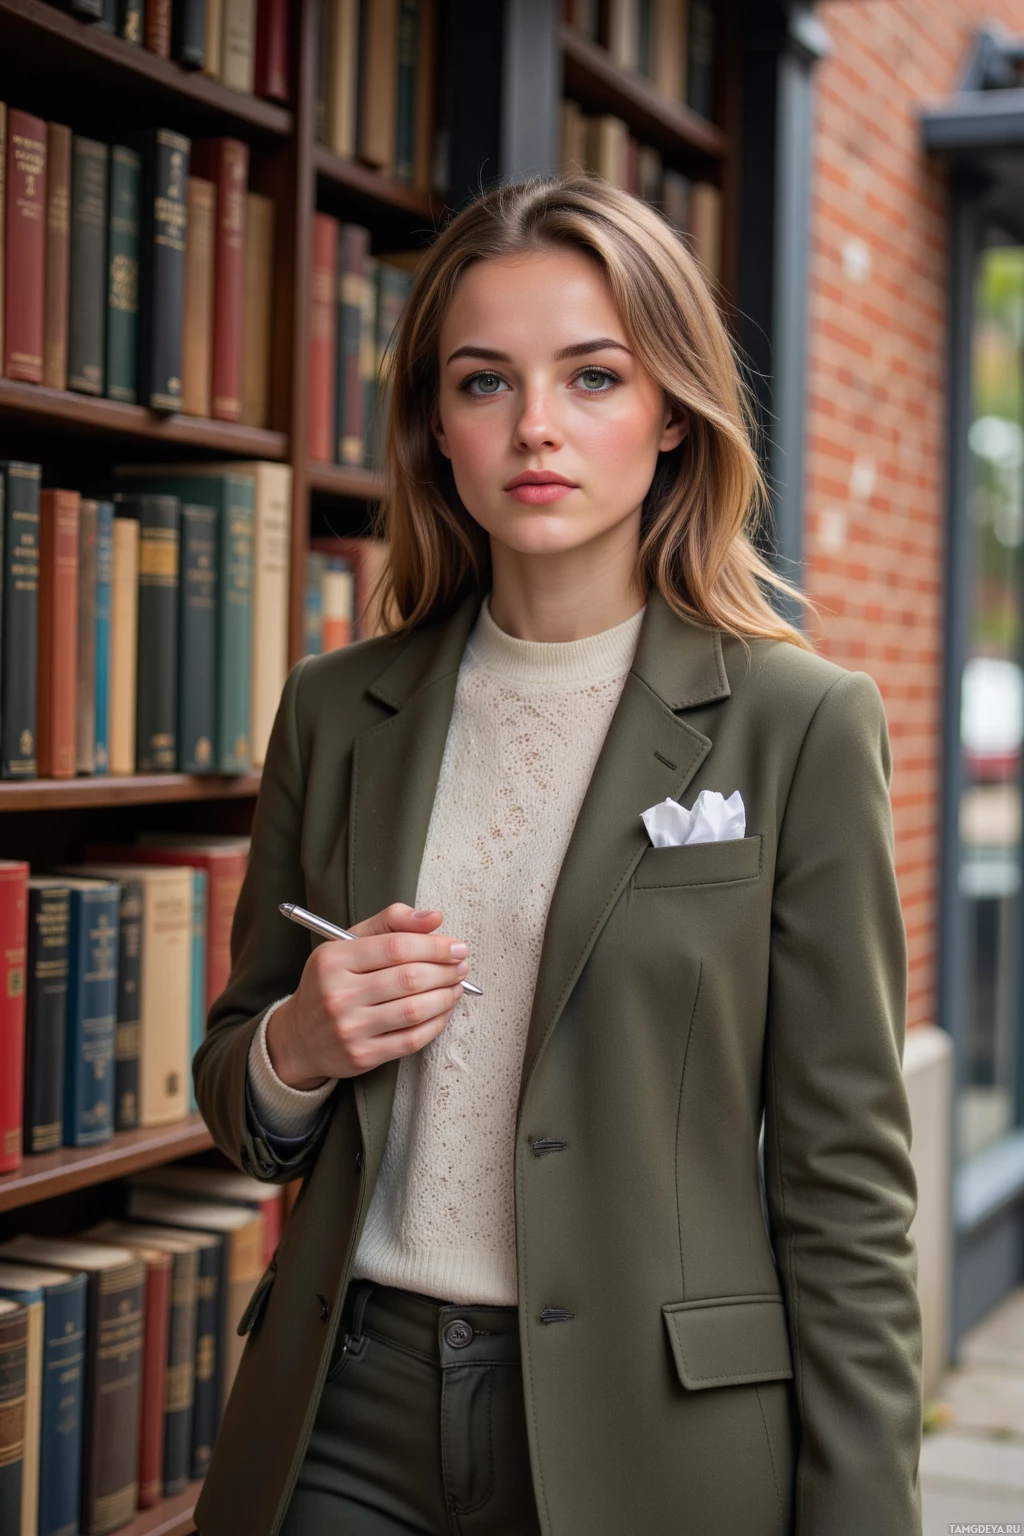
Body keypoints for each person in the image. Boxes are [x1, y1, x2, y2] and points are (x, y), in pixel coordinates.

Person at [192, 175, 923, 1536]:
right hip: (347, 1407)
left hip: (655, 1432)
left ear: (671, 414)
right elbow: (239, 1098)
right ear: (437, 427)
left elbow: (846, 1187)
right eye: (485, 381)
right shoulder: (336, 710)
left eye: (594, 376)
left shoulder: (801, 724)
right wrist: (299, 1045)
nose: (536, 424)